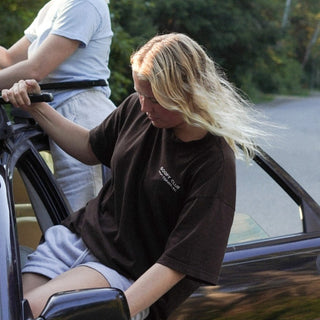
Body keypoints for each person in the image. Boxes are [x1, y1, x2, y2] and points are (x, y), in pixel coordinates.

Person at [2, 33, 267, 320]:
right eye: (140, 93)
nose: (143, 107)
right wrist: (37, 108)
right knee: (9, 309)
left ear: (188, 94)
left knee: (27, 314)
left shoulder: (213, 163)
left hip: (124, 273)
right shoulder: (137, 110)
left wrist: (118, 309)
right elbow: (90, 148)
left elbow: (178, 262)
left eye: (154, 99)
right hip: (74, 239)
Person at [0, 0, 116, 211]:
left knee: (79, 212)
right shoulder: (55, 5)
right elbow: (9, 59)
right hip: (51, 109)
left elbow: (35, 70)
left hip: (79, 108)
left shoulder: (85, 3)